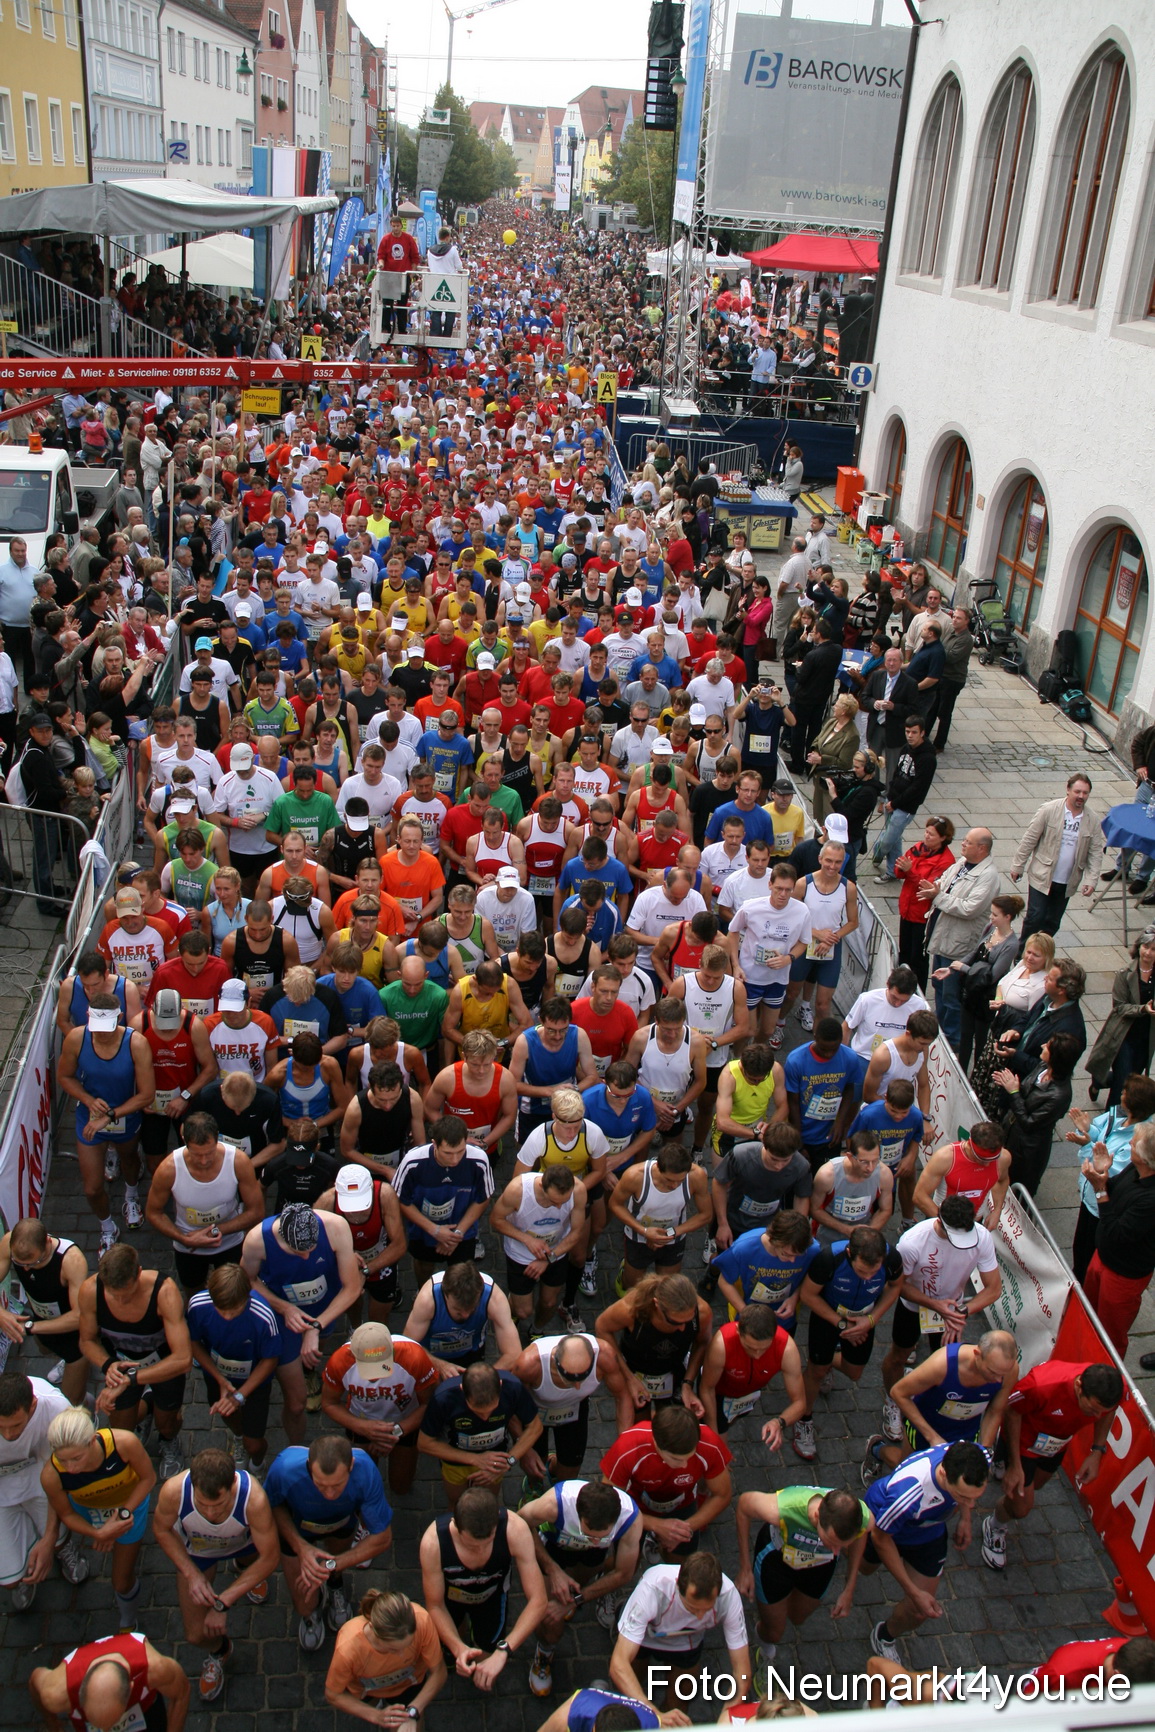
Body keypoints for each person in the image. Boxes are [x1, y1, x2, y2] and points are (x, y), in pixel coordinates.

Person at [151, 1445, 279, 1706]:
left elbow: (270, 1557)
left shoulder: (253, 1499)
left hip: (243, 1543)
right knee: (195, 1634)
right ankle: (220, 1651)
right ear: (192, 1486)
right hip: (199, 1552)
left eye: (219, 1504)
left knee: (252, 1564)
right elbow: (161, 1530)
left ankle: (243, 1571)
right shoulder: (173, 1491)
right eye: (202, 1505)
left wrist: (223, 1602)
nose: (210, 1513)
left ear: (233, 1483)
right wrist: (191, 1574)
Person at [877, 1198, 1002, 1446]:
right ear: (940, 1223)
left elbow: (993, 1289)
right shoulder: (912, 1242)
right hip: (914, 1308)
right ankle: (893, 1400)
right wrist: (936, 1305)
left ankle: (932, 1406)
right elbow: (898, 1286)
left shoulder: (981, 1237)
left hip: (952, 1310)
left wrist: (961, 1312)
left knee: (948, 1363)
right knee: (899, 1355)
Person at [979, 1358, 1122, 1572]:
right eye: (1091, 1409)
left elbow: (1108, 1411)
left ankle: (1003, 1461)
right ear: (1078, 1386)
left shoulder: (1111, 1390)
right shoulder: (1040, 1385)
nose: (1096, 1416)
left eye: (1100, 1411)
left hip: (1056, 1445)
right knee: (1021, 1506)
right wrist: (1015, 1466)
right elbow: (1011, 1411)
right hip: (1025, 1444)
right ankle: (995, 1525)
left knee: (1036, 1485)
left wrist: (1097, 1451)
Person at [240, 1201, 363, 1444]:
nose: (306, 1256)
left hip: (326, 1309)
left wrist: (316, 1326)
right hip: (284, 1321)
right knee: (296, 1405)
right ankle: (296, 1449)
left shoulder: (336, 1226)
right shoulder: (257, 1240)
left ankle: (309, 1372)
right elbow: (246, 1280)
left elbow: (352, 1287)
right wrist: (284, 1308)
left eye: (311, 1249)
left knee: (315, 1350)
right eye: (298, 1251)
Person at [860, 1441, 990, 1660]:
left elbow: (968, 1496)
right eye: (963, 1496)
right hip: (884, 1526)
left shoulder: (980, 1457)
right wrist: (912, 1590)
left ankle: (885, 1635)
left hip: (928, 1533)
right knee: (864, 1569)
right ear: (943, 1472)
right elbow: (881, 1539)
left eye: (975, 1497)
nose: (972, 1503)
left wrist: (965, 1518)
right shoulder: (908, 1494)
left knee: (919, 1609)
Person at [265, 1433, 394, 1652]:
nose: (330, 1493)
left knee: (335, 1564)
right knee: (303, 1600)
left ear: (351, 1465)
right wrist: (300, 1546)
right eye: (321, 1485)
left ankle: (334, 1583)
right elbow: (271, 1507)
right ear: (308, 1466)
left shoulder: (366, 1471)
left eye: (337, 1484)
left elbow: (382, 1537)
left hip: (341, 1526)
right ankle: (310, 1615)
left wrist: (332, 1565)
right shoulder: (284, 1469)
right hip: (296, 1532)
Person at [77, 1242, 192, 1481]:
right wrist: (108, 1365)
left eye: (126, 1294)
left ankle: (168, 1442)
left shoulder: (164, 1292)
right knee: (119, 1429)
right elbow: (86, 1341)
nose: (120, 1300)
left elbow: (182, 1359)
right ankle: (147, 1407)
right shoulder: (90, 1290)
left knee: (167, 1424)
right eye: (113, 1295)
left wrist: (132, 1378)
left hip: (163, 1368)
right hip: (120, 1368)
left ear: (138, 1273)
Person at [418, 1486, 547, 1694]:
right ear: (455, 1525)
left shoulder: (515, 1529)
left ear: (497, 1521)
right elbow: (435, 1605)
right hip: (450, 1601)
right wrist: (458, 1648)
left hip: (492, 1599)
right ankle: (453, 1655)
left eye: (487, 1543)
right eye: (470, 1546)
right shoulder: (433, 1543)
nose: (479, 1550)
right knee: (452, 1650)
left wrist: (504, 1651)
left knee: (486, 1664)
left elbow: (538, 1601)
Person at [520, 1477, 643, 1694]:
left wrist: (578, 1599)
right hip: (554, 1549)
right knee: (550, 1617)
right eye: (587, 1533)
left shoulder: (631, 1519)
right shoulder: (553, 1504)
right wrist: (552, 1570)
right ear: (577, 1514)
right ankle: (544, 1652)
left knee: (575, 1590)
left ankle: (573, 1600)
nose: (594, 1540)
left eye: (602, 1537)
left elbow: (624, 1573)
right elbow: (519, 1525)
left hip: (591, 1560)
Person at [41, 1405, 156, 1634]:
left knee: (121, 1582)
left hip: (128, 1506)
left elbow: (148, 1479)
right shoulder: (51, 1476)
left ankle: (128, 1621)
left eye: (76, 1458)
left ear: (93, 1440)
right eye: (63, 1460)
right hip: (88, 1511)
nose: (71, 1468)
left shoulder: (124, 1443)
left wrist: (121, 1516)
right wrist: (98, 1533)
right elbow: (66, 1514)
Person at [57, 995, 156, 1248]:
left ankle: (131, 1194)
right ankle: (107, 1227)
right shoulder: (77, 1039)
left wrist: (111, 1115)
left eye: (107, 1029)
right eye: (97, 1029)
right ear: (88, 1018)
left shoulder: (136, 1042)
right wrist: (88, 1100)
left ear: (119, 1019)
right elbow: (65, 1077)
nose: (101, 1035)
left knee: (130, 1159)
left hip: (125, 1115)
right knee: (92, 1188)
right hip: (90, 1116)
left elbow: (146, 1095)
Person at [734, 1484, 872, 1664]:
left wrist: (850, 1586)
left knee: (798, 1617)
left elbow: (862, 1533)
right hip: (776, 1562)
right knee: (774, 1631)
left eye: (842, 1545)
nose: (837, 1552)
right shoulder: (785, 1508)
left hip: (820, 1565)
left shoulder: (863, 1518)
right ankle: (766, 1652)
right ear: (816, 1516)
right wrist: (745, 1568)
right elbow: (744, 1504)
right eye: (830, 1541)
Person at [609, 1550, 751, 1714]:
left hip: (687, 1642)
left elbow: (742, 1673)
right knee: (628, 1699)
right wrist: (655, 1714)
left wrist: (726, 1719)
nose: (699, 1616)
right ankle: (624, 1615)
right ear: (677, 1586)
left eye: (706, 1610)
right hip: (644, 1638)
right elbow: (619, 1664)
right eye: (692, 1608)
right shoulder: (653, 1588)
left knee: (678, 1707)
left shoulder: (729, 1597)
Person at [865, 1329, 1018, 1477]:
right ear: (977, 1355)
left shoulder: (1008, 1371)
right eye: (992, 1372)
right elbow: (898, 1392)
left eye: (1002, 1374)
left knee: (954, 1484)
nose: (998, 1380)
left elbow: (994, 1412)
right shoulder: (942, 1364)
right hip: (926, 1427)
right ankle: (877, 1450)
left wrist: (984, 1451)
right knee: (909, 1471)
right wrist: (932, 1437)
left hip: (966, 1432)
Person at [143, 1111, 264, 1295]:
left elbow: (256, 1211)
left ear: (218, 1139)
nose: (204, 1160)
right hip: (189, 1247)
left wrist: (215, 1232)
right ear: (184, 1141)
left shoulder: (238, 1161)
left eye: (209, 1153)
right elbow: (153, 1212)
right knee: (192, 1292)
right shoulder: (169, 1169)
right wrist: (184, 1239)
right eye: (196, 1155)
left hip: (229, 1242)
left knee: (233, 1293)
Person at [320, 1321, 439, 1496]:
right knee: (362, 1483)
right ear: (353, 1355)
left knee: (401, 1485)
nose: (375, 1377)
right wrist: (362, 1427)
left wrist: (396, 1432)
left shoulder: (415, 1357)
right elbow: (329, 1403)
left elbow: (428, 1404)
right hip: (361, 1422)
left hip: (406, 1421)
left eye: (382, 1365)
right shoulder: (339, 1361)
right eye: (369, 1368)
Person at [186, 1262, 281, 1472]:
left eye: (235, 1310)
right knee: (228, 1415)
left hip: (254, 1382)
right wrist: (220, 1380)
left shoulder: (263, 1316)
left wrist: (240, 1396)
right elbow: (193, 1343)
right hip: (217, 1375)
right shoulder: (197, 1306)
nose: (227, 1316)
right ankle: (238, 1436)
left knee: (254, 1444)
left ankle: (257, 1465)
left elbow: (270, 1359)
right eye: (222, 1310)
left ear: (247, 1296)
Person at [393, 1114, 495, 1287]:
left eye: (460, 1152)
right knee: (424, 1265)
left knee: (461, 1273)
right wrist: (434, 1230)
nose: (455, 1159)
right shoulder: (412, 1163)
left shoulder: (479, 1161)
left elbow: (482, 1199)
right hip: (423, 1231)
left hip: (462, 1230)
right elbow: (401, 1201)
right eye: (448, 1153)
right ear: (434, 1144)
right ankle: (423, 1291)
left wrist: (457, 1234)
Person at [1081, 1121, 1155, 1357]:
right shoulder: (1136, 1169)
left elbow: (1117, 1233)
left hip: (1124, 1274)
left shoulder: (1150, 1199)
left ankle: (1107, 1373)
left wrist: (1100, 1189)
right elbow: (1114, 1188)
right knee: (1088, 1311)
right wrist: (1104, 1174)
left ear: (1145, 1158)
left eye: (1134, 1144)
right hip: (1103, 1256)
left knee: (1111, 1332)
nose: (1130, 1144)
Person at [324, 1588, 448, 1727]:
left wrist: (413, 1711)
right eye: (393, 1649)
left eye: (409, 1644)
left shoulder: (422, 1621)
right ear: (373, 1629)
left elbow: (439, 1671)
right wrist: (375, 1715)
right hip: (366, 1691)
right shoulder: (348, 1649)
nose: (402, 1655)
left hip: (409, 1686)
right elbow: (333, 1694)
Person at [926, 828, 1002, 1051]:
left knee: (951, 995)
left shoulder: (988, 877)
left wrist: (937, 897)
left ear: (982, 848)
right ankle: (940, 1030)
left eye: (968, 842)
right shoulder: (962, 862)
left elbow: (970, 908)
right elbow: (945, 880)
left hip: (958, 946)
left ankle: (953, 1041)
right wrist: (936, 887)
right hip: (943, 938)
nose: (962, 844)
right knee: (938, 987)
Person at [0, 1221, 90, 1404]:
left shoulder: (72, 1260)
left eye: (34, 1262)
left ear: (48, 1243)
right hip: (42, 1320)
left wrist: (31, 1327)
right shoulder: (9, 1242)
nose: (26, 1269)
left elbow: (80, 1316)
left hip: (75, 1337)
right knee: (45, 1349)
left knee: (68, 1403)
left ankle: (88, 1409)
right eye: (19, 1263)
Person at [29, 1633, 191, 1732]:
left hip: (146, 1712)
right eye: (99, 1726)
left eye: (112, 1723)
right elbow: (35, 1679)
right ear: (80, 1694)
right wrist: (54, 1727)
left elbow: (181, 1695)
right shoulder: (56, 1693)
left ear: (131, 1687)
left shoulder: (156, 1669)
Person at [1010, 774, 1103, 943]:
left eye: (1085, 793)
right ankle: (1022, 952)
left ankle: (1041, 952)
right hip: (1042, 875)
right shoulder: (1049, 810)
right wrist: (1018, 865)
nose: (1081, 796)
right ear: (1068, 790)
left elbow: (1095, 852)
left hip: (1067, 881)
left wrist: (1091, 879)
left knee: (1052, 922)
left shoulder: (1093, 820)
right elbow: (1030, 838)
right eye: (1078, 791)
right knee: (1034, 917)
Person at [608, 1141, 712, 1288]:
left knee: (666, 1286)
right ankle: (625, 1272)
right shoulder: (635, 1176)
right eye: (669, 1180)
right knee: (631, 1286)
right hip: (638, 1236)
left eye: (680, 1181)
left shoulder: (696, 1176)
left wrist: (671, 1233)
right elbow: (615, 1204)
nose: (674, 1186)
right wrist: (644, 1231)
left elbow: (706, 1215)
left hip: (673, 1237)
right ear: (657, 1167)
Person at [994, 1031, 1080, 1195]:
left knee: (1016, 1187)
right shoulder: (1043, 1067)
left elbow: (1029, 1122)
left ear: (1056, 1056)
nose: (1042, 1046)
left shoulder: (1059, 1095)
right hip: (1011, 1132)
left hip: (1026, 1150)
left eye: (1047, 1046)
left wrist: (1013, 1092)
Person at [404, 1259, 522, 1377]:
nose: (465, 1316)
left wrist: (484, 1379)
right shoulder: (428, 1299)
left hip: (471, 1352)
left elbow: (514, 1354)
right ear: (446, 1295)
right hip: (431, 1355)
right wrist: (440, 1365)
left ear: (480, 1294)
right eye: (458, 1311)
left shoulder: (494, 1298)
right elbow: (408, 1345)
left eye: (472, 1310)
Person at [1086, 927, 1155, 1106]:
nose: (1148, 953)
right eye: (1145, 947)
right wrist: (1143, 1010)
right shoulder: (1125, 974)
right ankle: (1111, 1120)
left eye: (1153, 949)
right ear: (1138, 947)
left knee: (1131, 1080)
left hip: (1146, 1037)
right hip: (1124, 1036)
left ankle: (1100, 1081)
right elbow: (1119, 1007)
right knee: (1122, 1086)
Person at [872, 717, 937, 881]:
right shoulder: (906, 748)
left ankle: (877, 853)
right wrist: (889, 795)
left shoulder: (927, 758)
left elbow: (918, 788)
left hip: (905, 807)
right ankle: (892, 871)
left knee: (888, 840)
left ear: (922, 733)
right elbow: (896, 772)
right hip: (892, 800)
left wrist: (895, 803)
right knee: (894, 839)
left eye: (914, 732)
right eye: (907, 731)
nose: (910, 735)